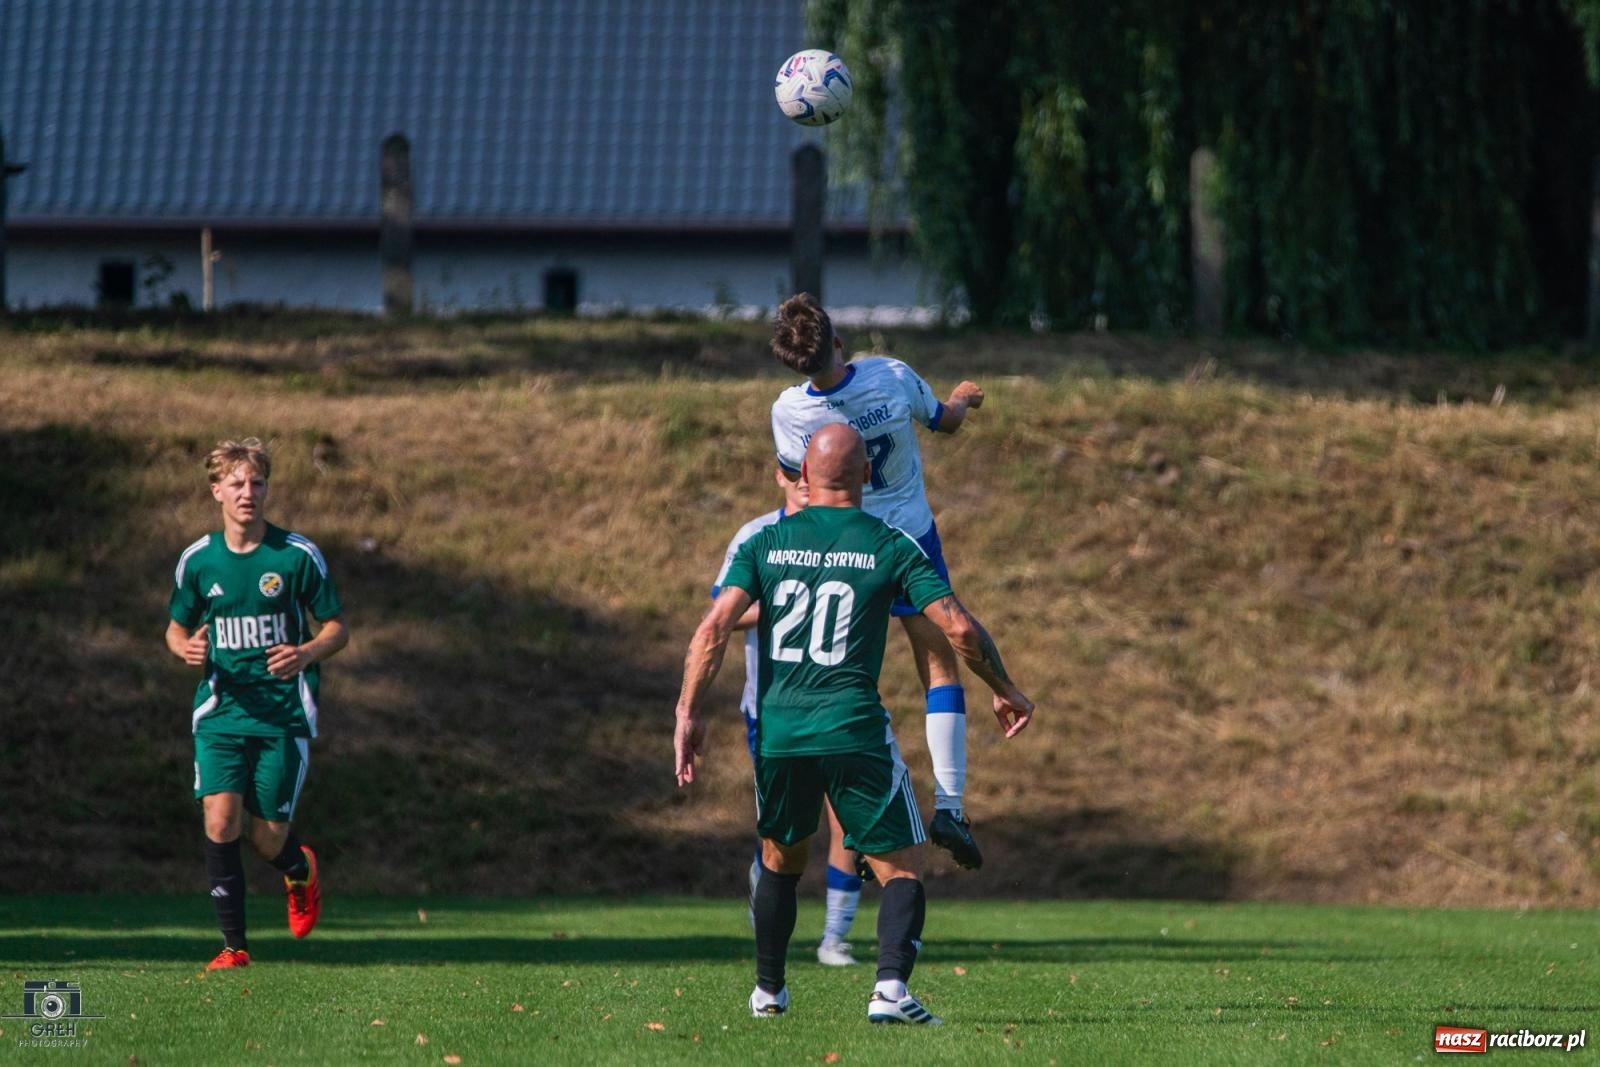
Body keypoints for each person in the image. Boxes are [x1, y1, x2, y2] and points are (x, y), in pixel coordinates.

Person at [675, 424, 1034, 1024]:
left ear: (804, 476)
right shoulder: (890, 543)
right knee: (902, 866)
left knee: (780, 860)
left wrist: (688, 710)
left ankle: (768, 993)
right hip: (854, 731)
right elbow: (959, 629)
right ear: (868, 474)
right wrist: (1005, 688)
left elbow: (713, 627)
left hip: (782, 733)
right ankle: (889, 990)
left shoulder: (765, 542)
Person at [768, 292, 1013, 870]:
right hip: (908, 543)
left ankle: (852, 814)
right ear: (838, 341)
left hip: (840, 550)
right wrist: (963, 397)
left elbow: (794, 484)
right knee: (939, 665)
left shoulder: (789, 411)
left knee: (843, 679)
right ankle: (950, 806)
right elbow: (945, 422)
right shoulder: (890, 376)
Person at [165, 438, 349, 971]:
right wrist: (185, 647)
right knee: (220, 820)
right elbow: (175, 630)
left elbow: (336, 628)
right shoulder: (199, 560)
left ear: (267, 490)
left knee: (268, 840)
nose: (248, 492)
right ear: (216, 491)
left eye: (257, 482)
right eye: (237, 483)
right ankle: (234, 947)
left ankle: (299, 870)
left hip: (282, 715)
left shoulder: (295, 556)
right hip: (220, 712)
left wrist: (306, 652)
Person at [714, 467, 862, 967]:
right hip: (772, 709)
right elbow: (722, 613)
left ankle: (835, 937)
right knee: (783, 832)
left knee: (846, 821)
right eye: (793, 470)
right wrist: (784, 602)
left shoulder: (852, 535)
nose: (803, 480)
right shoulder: (757, 535)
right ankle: (768, 913)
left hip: (839, 705)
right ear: (779, 475)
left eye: (811, 470)